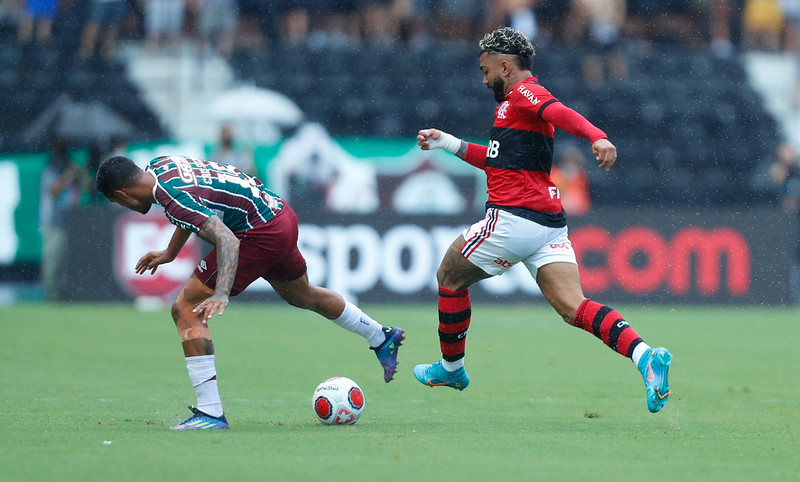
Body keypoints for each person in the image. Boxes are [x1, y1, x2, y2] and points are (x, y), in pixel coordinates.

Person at [413, 27, 671, 413]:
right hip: (547, 225)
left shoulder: (523, 92)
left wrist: (596, 136)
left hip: (512, 219)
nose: (484, 80)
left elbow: (559, 111)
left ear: (505, 66)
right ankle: (645, 357)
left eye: (486, 71)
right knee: (574, 307)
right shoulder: (512, 107)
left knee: (449, 277)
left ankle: (452, 368)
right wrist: (446, 142)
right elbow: (496, 160)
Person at [95, 155, 405, 429]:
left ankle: (210, 413)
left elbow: (226, 240)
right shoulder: (161, 166)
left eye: (119, 202)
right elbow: (194, 208)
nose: (125, 207)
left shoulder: (170, 197)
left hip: (256, 233)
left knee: (185, 308)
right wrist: (170, 252)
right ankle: (381, 336)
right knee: (303, 294)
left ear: (121, 194)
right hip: (280, 215)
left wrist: (221, 292)